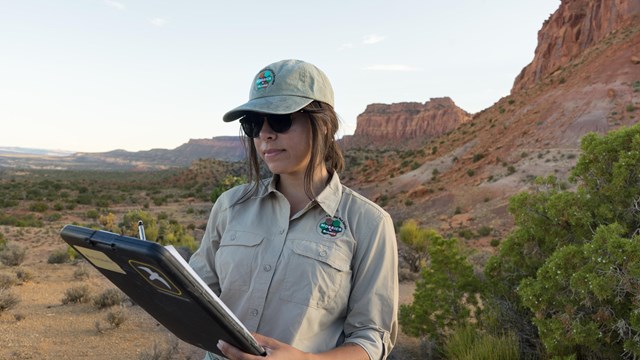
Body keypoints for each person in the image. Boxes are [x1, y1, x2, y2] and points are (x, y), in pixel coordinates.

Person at [188, 59, 398, 360]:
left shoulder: (368, 223)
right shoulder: (230, 206)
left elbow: (372, 337)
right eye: (253, 124)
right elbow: (199, 294)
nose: (265, 134)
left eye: (280, 119)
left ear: (324, 124)